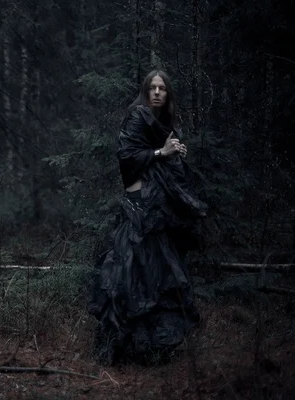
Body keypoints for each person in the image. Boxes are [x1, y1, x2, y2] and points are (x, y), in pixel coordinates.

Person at [88, 70, 208, 366]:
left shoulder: (165, 125)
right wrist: (161, 151)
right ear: (145, 91)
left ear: (168, 95)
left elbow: (168, 166)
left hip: (159, 211)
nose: (156, 92)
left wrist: (175, 153)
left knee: (159, 275)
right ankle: (126, 347)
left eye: (162, 89)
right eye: (152, 88)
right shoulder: (137, 117)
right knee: (131, 272)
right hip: (141, 207)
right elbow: (127, 158)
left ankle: (155, 349)